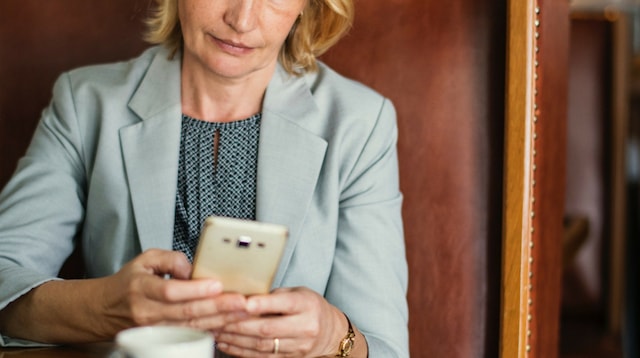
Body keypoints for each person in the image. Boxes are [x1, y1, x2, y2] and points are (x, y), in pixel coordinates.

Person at [0, 0, 408, 356]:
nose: (242, 19)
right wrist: (105, 308)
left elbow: (384, 348)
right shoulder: (85, 102)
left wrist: (333, 336)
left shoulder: (360, 124)